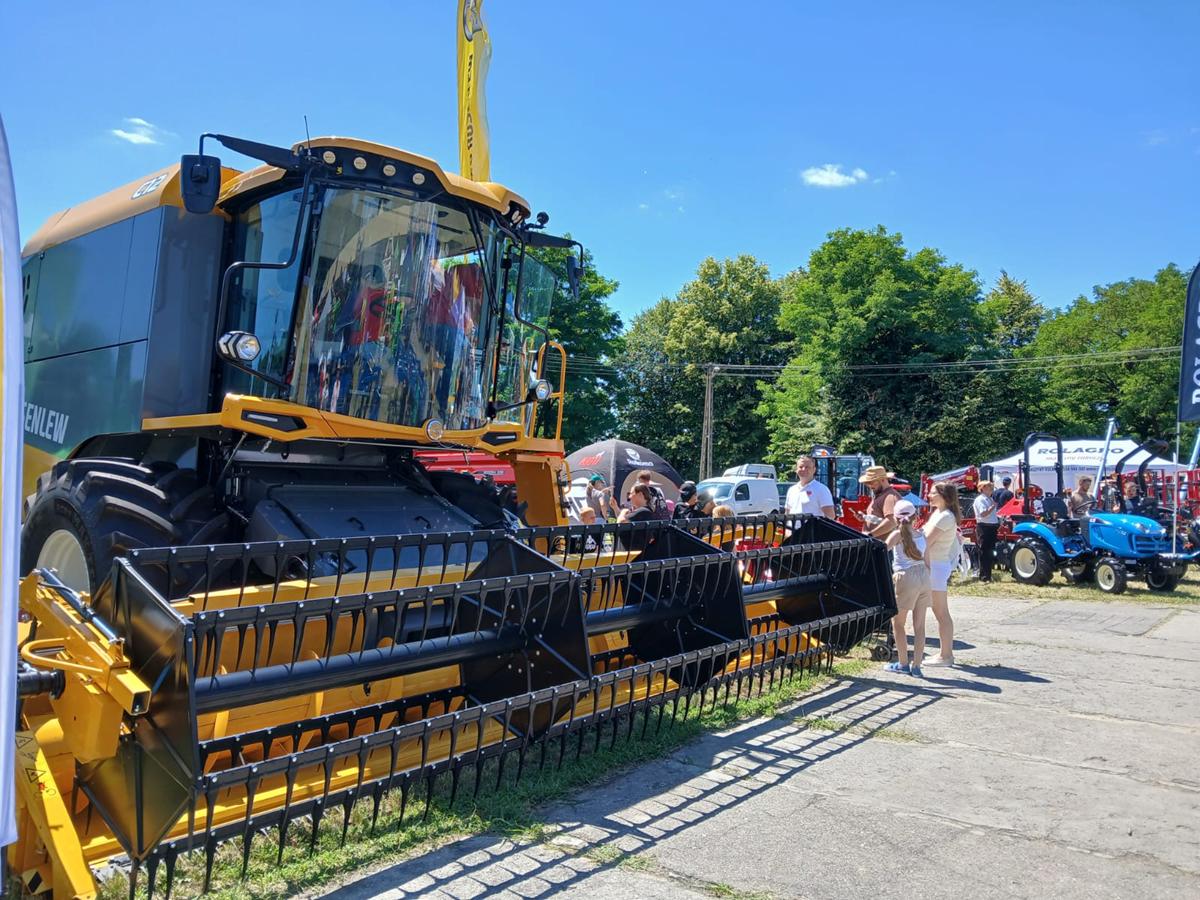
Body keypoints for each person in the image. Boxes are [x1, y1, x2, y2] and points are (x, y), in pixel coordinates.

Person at [884, 499, 930, 676]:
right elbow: (928, 561)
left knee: (898, 623)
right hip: (924, 576)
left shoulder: (897, 535)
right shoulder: (922, 535)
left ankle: (903, 663)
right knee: (920, 626)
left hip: (905, 577)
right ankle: (917, 666)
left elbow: (881, 550)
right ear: (915, 516)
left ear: (896, 518)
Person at [922, 480, 959, 667]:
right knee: (939, 611)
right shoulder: (938, 513)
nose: (929, 495)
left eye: (932, 493)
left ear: (944, 496)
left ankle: (946, 656)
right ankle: (945, 654)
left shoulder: (945, 517)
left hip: (936, 566)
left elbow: (926, 541)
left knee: (941, 612)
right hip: (934, 565)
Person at [859, 465, 900, 538]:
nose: (869, 486)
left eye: (871, 482)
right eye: (867, 483)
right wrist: (865, 517)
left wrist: (870, 535)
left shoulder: (890, 496)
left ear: (883, 480)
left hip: (883, 544)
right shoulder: (881, 495)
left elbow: (892, 522)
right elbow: (879, 519)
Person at [972, 481, 1000, 582]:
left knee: (990, 552)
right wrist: (993, 506)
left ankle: (988, 575)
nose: (991, 489)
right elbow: (983, 513)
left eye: (992, 487)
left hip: (991, 526)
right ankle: (984, 576)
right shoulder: (980, 499)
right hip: (984, 527)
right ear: (982, 488)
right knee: (984, 552)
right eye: (989, 487)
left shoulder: (990, 499)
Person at [617, 483, 655, 550]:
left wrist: (623, 511)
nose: (629, 497)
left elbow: (620, 522)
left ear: (640, 494)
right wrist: (615, 508)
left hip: (633, 553)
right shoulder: (646, 511)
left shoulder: (642, 511)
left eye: (631, 493)